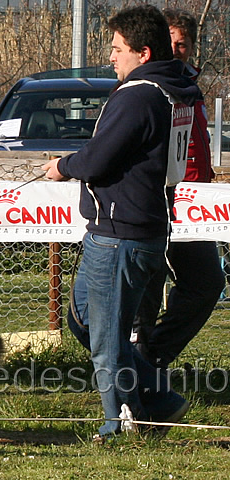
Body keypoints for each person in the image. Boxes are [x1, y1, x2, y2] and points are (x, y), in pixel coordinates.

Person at [42, 5, 199, 441]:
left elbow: (99, 157)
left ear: (143, 52)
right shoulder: (173, 89)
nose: (111, 57)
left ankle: (118, 423)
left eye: (117, 49)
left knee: (107, 339)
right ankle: (161, 398)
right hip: (134, 229)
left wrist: (64, 164)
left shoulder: (138, 95)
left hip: (120, 235)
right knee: (84, 322)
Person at [131, 8, 225, 370]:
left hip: (194, 202)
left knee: (206, 283)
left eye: (182, 43)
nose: (176, 50)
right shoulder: (150, 87)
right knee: (148, 288)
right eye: (169, 43)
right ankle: (135, 370)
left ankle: (152, 358)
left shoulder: (190, 85)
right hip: (160, 199)